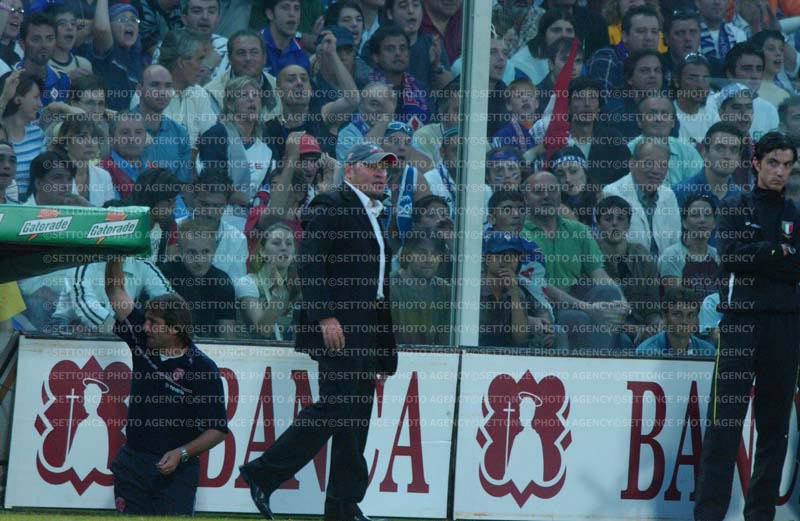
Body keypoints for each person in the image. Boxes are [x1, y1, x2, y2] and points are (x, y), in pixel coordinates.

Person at [239, 143, 399, 521]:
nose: (381, 173)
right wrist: (325, 316)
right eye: (373, 166)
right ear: (351, 169)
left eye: (385, 167)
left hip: (367, 327)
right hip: (341, 326)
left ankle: (344, 505)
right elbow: (310, 263)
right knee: (335, 406)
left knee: (355, 419)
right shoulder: (332, 203)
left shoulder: (374, 212)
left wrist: (381, 345)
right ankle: (264, 473)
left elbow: (378, 285)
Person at [694, 132, 800, 521]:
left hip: (786, 326)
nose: (780, 172)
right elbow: (729, 258)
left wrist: (760, 254)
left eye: (787, 165)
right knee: (724, 426)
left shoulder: (795, 212)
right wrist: (776, 252)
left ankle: (760, 515)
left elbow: (796, 265)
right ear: (755, 163)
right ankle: (708, 515)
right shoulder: (734, 206)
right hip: (740, 322)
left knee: (774, 429)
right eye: (773, 163)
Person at [104, 260, 228, 515]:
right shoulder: (142, 340)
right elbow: (115, 289)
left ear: (174, 330)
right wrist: (116, 253)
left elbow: (217, 430)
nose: (145, 327)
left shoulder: (202, 369)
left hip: (177, 471)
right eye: (146, 320)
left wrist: (181, 453)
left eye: (153, 323)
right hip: (132, 463)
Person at [520, 170, 630, 352]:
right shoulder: (520, 234)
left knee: (609, 291)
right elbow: (542, 286)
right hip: (542, 307)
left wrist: (622, 302)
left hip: (577, 298)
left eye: (552, 190)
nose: (546, 195)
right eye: (538, 191)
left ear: (560, 194)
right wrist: (588, 308)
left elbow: (599, 274)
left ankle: (601, 359)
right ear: (525, 198)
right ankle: (599, 362)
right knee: (577, 319)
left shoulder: (578, 230)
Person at [594, 195, 662, 344]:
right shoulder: (590, 257)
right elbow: (595, 313)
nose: (615, 223)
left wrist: (657, 324)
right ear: (598, 225)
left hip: (642, 328)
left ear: (628, 225)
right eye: (608, 219)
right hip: (604, 329)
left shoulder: (643, 257)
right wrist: (632, 329)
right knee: (623, 340)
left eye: (621, 218)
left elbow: (652, 308)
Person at [160, 218, 237, 339]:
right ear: (179, 251)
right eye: (192, 252)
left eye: (205, 252)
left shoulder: (222, 281)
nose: (199, 260)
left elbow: (228, 337)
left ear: (214, 250)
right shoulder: (164, 276)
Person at [602, 140, 681, 256]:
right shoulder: (612, 193)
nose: (656, 170)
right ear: (632, 164)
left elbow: (676, 243)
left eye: (663, 165)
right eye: (649, 163)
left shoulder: (669, 195)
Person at [236, 219, 300, 340]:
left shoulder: (299, 286)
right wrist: (279, 291)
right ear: (263, 252)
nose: (284, 248)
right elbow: (263, 331)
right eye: (276, 243)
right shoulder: (247, 283)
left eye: (289, 244)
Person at [479, 232, 545, 348]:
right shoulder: (474, 289)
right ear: (488, 259)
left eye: (513, 256)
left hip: (507, 354)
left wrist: (514, 293)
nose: (507, 260)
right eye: (501, 254)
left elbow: (521, 339)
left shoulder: (518, 291)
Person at [627, 94, 704, 187]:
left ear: (673, 122)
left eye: (665, 114)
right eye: (652, 114)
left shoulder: (688, 152)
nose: (659, 119)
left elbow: (699, 187)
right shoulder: (628, 152)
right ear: (639, 121)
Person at [204, 29, 280, 120]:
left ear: (264, 58)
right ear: (229, 59)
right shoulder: (212, 93)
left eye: (254, 52)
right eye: (241, 53)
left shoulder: (279, 87)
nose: (248, 58)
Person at [134, 64, 193, 183]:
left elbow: (183, 184)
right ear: (139, 90)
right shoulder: (120, 127)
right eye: (155, 85)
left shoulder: (180, 133)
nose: (162, 92)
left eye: (168, 86)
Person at [390, 233, 450, 345]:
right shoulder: (388, 288)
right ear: (408, 254)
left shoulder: (445, 290)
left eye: (435, 254)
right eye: (422, 253)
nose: (429, 260)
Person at [587, 5, 661, 95]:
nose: (649, 37)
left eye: (654, 32)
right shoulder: (606, 58)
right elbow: (603, 100)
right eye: (641, 31)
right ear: (624, 36)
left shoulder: (660, 62)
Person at [673, 122, 744, 210]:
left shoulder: (743, 199)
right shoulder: (681, 193)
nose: (727, 156)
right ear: (705, 153)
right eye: (719, 148)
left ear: (739, 158)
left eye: (734, 150)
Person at [89, 0, 145, 111]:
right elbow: (101, 28)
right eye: (122, 19)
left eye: (134, 20)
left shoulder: (139, 61)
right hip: (107, 117)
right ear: (110, 26)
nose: (130, 23)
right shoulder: (107, 50)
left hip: (132, 119)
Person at [384, 0, 451, 92]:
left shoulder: (432, 44)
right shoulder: (377, 44)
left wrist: (437, 65)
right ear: (390, 14)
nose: (411, 11)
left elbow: (448, 90)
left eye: (416, 5)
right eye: (403, 6)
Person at [52, 113, 115, 206]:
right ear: (65, 144)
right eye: (81, 137)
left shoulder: (104, 176)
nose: (90, 143)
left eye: (94, 137)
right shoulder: (54, 175)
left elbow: (109, 211)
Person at [0, 71, 44, 199]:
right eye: (36, 97)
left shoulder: (37, 134)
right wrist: (4, 98)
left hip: (29, 207)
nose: (40, 104)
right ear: (17, 99)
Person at [635, 286, 715, 356]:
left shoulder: (708, 351)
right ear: (665, 316)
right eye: (678, 315)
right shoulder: (646, 352)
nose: (684, 321)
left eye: (690, 315)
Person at [16, 12, 71, 107]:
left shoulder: (63, 79)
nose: (44, 45)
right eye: (36, 39)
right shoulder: (10, 78)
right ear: (22, 44)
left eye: (49, 39)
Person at [511, 10, 575, 86]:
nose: (564, 35)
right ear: (543, 33)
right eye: (556, 30)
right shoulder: (521, 65)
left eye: (569, 31)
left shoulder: (576, 57)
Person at [101, 110, 148, 199]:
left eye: (138, 132)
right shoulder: (102, 172)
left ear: (145, 137)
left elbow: (174, 206)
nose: (132, 139)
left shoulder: (155, 169)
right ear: (111, 139)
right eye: (125, 133)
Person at [672, 53, 716, 146]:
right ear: (676, 81)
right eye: (692, 78)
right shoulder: (667, 114)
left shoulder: (712, 114)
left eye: (705, 79)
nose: (700, 85)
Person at [260, 0, 308, 77]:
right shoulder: (253, 47)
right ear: (270, 14)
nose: (292, 14)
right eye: (285, 7)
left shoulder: (301, 55)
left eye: (296, 8)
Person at [47, 4, 93, 80]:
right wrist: (68, 78)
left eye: (73, 23)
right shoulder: (43, 66)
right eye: (62, 23)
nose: (70, 27)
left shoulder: (84, 64)